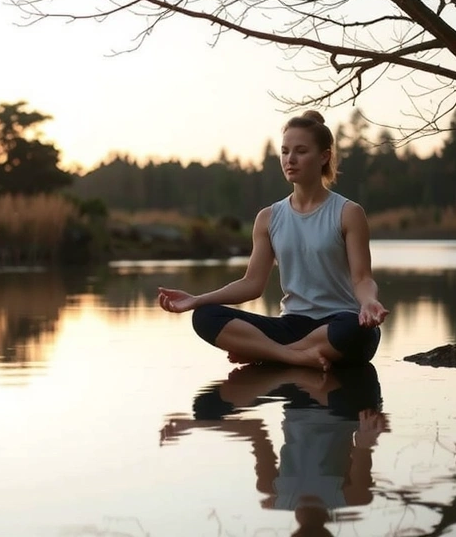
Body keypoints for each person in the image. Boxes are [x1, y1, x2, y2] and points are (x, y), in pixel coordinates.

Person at [157, 110, 388, 370]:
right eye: (285, 151)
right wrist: (197, 299)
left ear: (324, 156)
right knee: (206, 317)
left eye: (301, 151)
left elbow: (362, 279)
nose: (290, 159)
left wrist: (369, 301)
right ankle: (295, 356)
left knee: (356, 331)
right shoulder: (269, 217)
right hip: (292, 325)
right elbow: (252, 284)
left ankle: (268, 354)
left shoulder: (348, 212)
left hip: (339, 324)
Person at [159, 363, 389, 534]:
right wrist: (368, 433)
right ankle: (301, 356)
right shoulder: (353, 497)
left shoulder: (274, 494)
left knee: (205, 408)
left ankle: (293, 357)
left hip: (295, 394)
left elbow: (254, 430)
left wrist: (196, 423)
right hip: (344, 402)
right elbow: (364, 441)